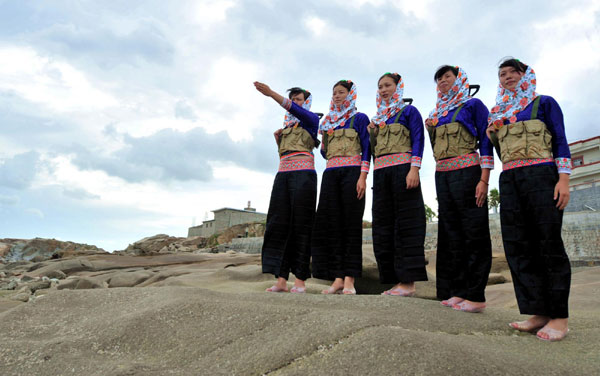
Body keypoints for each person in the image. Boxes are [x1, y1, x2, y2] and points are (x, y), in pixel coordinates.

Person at [487, 58, 572, 341]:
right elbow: (502, 155)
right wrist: (492, 136)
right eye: (502, 74)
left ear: (525, 75)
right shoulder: (498, 113)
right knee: (518, 245)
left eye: (514, 72)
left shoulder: (544, 103)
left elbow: (559, 139)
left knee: (547, 243)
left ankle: (559, 317)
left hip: (542, 176)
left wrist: (563, 179)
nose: (508, 77)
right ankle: (537, 312)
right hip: (510, 179)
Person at [424, 65, 493, 313]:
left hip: (468, 172)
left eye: (447, 77)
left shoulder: (473, 105)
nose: (443, 81)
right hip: (443, 174)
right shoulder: (437, 113)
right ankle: (457, 291)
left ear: (459, 79)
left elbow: (486, 141)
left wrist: (484, 179)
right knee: (450, 233)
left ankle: (476, 295)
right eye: (439, 79)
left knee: (474, 232)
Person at [254, 82, 319, 293]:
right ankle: (280, 279)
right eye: (294, 99)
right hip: (283, 175)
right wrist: (277, 141)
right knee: (278, 225)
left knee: (301, 225)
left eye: (299, 99)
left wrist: (272, 94)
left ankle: (300, 280)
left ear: (306, 103)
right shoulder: (286, 128)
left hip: (304, 176)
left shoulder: (312, 120)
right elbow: (284, 155)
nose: (296, 102)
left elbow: (295, 110)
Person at [368, 72, 428, 296]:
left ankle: (408, 282)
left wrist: (414, 169)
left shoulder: (409, 111)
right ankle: (394, 280)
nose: (383, 90)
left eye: (388, 85)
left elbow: (418, 139)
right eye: (380, 86)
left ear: (398, 87)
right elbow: (372, 151)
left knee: (407, 224)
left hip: (403, 170)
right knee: (383, 226)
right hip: (381, 174)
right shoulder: (378, 119)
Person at [311, 80, 370, 295]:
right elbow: (325, 154)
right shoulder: (327, 122)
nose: (337, 96)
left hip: (353, 173)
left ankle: (350, 279)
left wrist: (363, 177)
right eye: (334, 92)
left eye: (342, 92)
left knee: (350, 225)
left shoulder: (360, 118)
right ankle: (337, 277)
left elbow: (367, 148)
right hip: (330, 175)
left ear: (351, 94)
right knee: (332, 225)